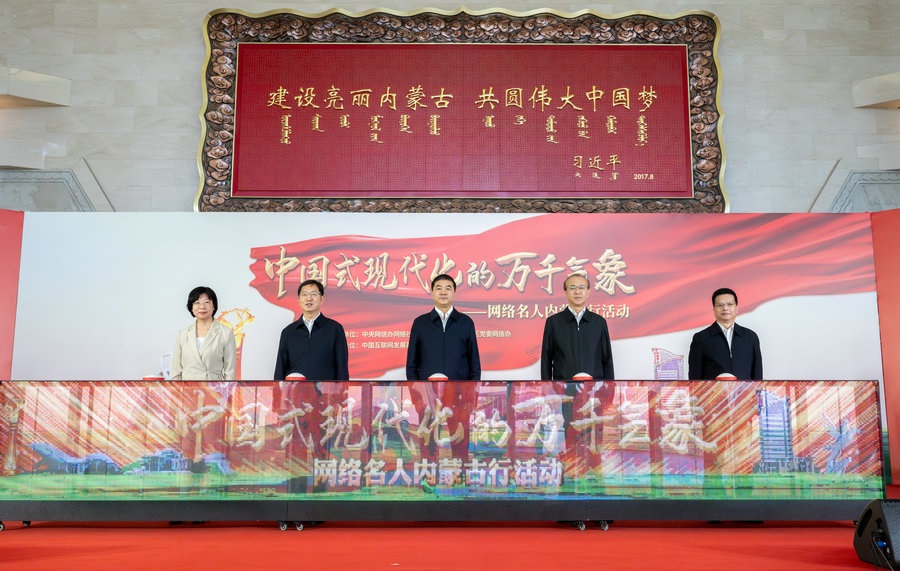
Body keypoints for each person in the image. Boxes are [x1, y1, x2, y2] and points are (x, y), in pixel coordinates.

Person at [540, 272, 615, 465]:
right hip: (567, 393)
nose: (577, 292)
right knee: (570, 432)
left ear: (588, 292)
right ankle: (572, 468)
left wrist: (609, 389)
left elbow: (607, 359)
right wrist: (549, 389)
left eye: (581, 287)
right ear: (565, 292)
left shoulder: (598, 322)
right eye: (572, 288)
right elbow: (546, 359)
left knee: (595, 434)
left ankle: (594, 469)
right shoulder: (554, 322)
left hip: (594, 392)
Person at [406, 273, 481, 460]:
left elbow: (474, 365)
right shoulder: (420, 323)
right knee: (428, 444)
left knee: (460, 442)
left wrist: (470, 398)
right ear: (432, 293)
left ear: (454, 293)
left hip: (458, 396)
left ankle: (460, 474)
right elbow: (411, 365)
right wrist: (417, 398)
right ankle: (428, 475)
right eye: (438, 288)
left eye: (448, 288)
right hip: (428, 397)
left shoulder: (466, 323)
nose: (443, 292)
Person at [274, 279, 349, 381]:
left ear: (322, 299)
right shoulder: (288, 332)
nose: (309, 298)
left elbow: (342, 368)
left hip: (326, 390)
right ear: (298, 299)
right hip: (296, 390)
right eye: (304, 294)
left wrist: (342, 389)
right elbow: (280, 369)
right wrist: (277, 390)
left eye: (314, 294)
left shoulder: (335, 329)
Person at [688, 287, 763, 380]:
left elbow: (757, 376)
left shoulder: (750, 337)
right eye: (720, 305)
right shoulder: (701, 338)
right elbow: (694, 379)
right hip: (713, 390)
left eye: (730, 304)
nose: (725, 308)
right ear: (714, 309)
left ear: (736, 308)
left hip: (744, 390)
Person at [171, 286, 236, 380]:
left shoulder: (225, 333)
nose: (202, 307)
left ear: (214, 306)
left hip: (213, 387)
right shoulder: (183, 334)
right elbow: (176, 371)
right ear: (191, 307)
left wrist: (226, 389)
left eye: (207, 302)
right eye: (197, 303)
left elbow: (230, 372)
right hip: (187, 388)